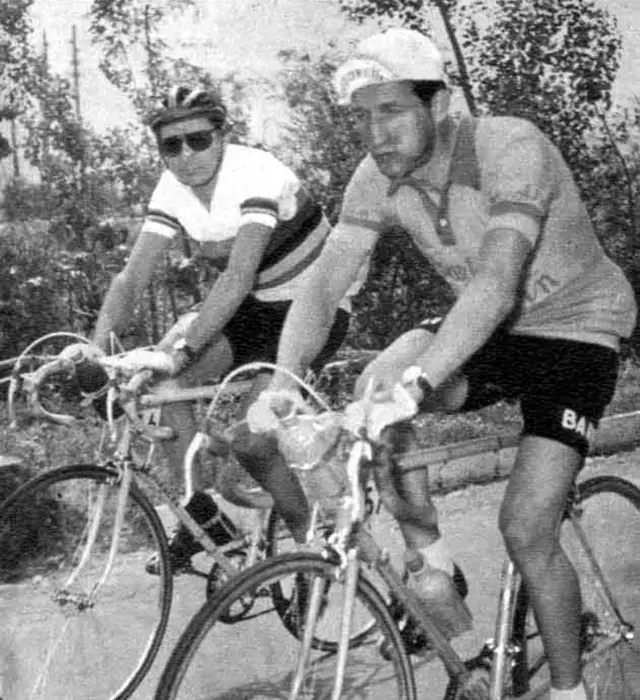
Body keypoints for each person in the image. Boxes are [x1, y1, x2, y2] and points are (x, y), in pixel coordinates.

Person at [262, 28, 637, 700]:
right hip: (496, 330)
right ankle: (436, 568)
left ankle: (571, 691)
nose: (377, 134)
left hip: (578, 330)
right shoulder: (377, 176)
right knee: (379, 380)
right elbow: (323, 284)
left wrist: (422, 383)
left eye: (393, 110)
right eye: (365, 115)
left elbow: (495, 282)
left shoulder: (510, 147)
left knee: (526, 526)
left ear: (440, 106)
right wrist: (284, 379)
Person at [88, 84, 362, 572]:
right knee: (162, 382)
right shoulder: (173, 187)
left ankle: (312, 550)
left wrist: (182, 349)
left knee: (255, 441)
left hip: (312, 305)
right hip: (255, 306)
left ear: (223, 135)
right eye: (171, 145)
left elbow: (237, 276)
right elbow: (132, 277)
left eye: (198, 139)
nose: (186, 155)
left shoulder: (255, 172)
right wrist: (92, 350)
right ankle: (204, 516)